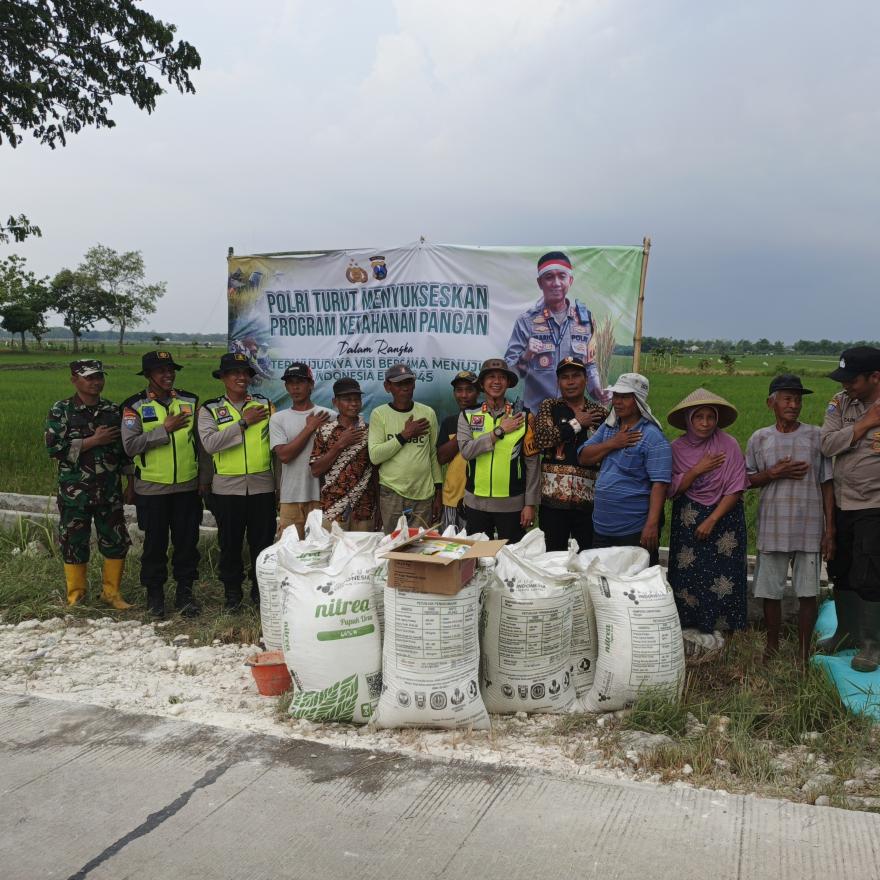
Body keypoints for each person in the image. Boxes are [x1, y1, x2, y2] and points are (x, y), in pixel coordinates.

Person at [746, 375, 834, 664]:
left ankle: (803, 650)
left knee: (808, 592)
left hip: (809, 526)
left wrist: (829, 528)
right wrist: (774, 473)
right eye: (787, 398)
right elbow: (747, 480)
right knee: (770, 590)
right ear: (770, 402)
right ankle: (772, 646)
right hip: (773, 526)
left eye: (798, 399)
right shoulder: (759, 438)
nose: (794, 405)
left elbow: (826, 482)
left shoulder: (816, 436)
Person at [45, 359, 132, 609]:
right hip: (75, 492)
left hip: (109, 490)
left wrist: (131, 483)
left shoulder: (113, 410)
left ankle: (112, 593)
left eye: (99, 377)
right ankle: (76, 596)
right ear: (74, 380)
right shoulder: (61, 410)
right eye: (89, 378)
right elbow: (54, 449)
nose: (96, 382)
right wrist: (93, 441)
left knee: (115, 540)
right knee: (73, 541)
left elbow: (123, 451)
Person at [121, 351, 202, 618]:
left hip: (187, 488)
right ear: (148, 376)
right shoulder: (134, 406)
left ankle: (185, 593)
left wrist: (204, 479)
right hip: (153, 489)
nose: (168, 375)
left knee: (187, 544)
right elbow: (130, 446)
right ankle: (155, 595)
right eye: (161, 371)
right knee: (155, 545)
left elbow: (201, 446)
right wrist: (163, 430)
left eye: (171, 370)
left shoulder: (190, 400)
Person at [665, 389, 750, 634]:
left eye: (710, 417)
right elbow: (671, 488)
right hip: (689, 521)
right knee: (688, 573)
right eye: (698, 417)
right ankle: (690, 625)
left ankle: (723, 628)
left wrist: (712, 519)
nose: (705, 423)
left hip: (725, 519)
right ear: (689, 420)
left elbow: (736, 486)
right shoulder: (677, 449)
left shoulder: (728, 445)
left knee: (725, 574)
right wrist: (695, 471)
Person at [198, 352, 276, 610]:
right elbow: (210, 444)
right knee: (229, 545)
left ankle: (260, 593)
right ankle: (232, 596)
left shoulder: (265, 405)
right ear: (223, 377)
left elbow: (277, 446)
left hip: (262, 486)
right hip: (227, 488)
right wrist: (242, 423)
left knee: (262, 545)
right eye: (234, 373)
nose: (241, 377)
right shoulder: (209, 410)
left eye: (245, 373)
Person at [821, 346, 880, 672]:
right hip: (843, 502)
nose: (846, 385)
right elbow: (826, 444)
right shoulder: (840, 402)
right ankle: (846, 633)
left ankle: (872, 645)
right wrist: (864, 424)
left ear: (875, 377)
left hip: (875, 504)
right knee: (840, 568)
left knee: (870, 573)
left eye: (853, 380)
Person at [577, 373, 670, 565]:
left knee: (634, 585)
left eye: (625, 397)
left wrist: (651, 525)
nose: (618, 402)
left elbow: (659, 485)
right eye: (616, 396)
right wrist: (614, 443)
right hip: (602, 527)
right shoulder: (609, 428)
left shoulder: (652, 437)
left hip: (633, 528)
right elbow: (583, 456)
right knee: (603, 582)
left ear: (638, 401)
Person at [505, 251, 607, 414]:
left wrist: (598, 392)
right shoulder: (526, 321)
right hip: (536, 415)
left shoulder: (584, 320)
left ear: (570, 280)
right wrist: (527, 355)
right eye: (549, 277)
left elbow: (589, 364)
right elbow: (510, 375)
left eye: (562, 276)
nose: (556, 283)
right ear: (540, 282)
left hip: (575, 415)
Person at [457, 358, 540, 542]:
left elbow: (532, 463)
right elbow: (466, 451)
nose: (496, 381)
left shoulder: (524, 416)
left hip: (512, 506)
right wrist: (499, 431)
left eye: (502, 377)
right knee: (477, 560)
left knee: (510, 561)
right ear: (482, 383)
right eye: (491, 377)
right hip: (476, 504)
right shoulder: (468, 415)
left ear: (508, 383)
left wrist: (530, 504)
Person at [534, 356, 607, 551]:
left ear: (585, 379)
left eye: (576, 376)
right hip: (553, 502)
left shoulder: (599, 412)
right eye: (565, 377)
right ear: (558, 382)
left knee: (589, 558)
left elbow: (609, 450)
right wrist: (576, 424)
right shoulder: (549, 407)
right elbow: (541, 440)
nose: (571, 381)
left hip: (589, 502)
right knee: (553, 559)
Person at [368, 364, 442, 532]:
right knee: (394, 544)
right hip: (392, 491)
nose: (405, 388)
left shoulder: (427, 413)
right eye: (399, 384)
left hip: (423, 494)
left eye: (408, 383)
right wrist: (404, 435)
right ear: (388, 387)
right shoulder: (379, 414)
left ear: (414, 384)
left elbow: (432, 454)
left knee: (419, 546)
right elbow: (375, 456)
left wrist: (438, 490)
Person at [269, 362, 333, 538]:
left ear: (311, 385)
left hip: (322, 496)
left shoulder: (328, 416)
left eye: (300, 382)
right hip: (290, 496)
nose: (295, 387)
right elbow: (284, 455)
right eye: (290, 382)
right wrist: (309, 428)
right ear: (286, 387)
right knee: (289, 551)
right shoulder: (278, 419)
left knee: (321, 550)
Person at [310, 377, 377, 531]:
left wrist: (378, 507)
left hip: (364, 508)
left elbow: (376, 471)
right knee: (334, 554)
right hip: (333, 508)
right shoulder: (325, 430)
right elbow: (315, 470)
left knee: (361, 554)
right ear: (335, 402)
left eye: (357, 399)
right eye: (347, 399)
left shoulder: (369, 430)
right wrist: (340, 445)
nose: (353, 403)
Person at [436, 370, 480, 531]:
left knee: (477, 548)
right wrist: (463, 432)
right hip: (453, 497)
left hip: (479, 498)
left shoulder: (487, 418)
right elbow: (441, 458)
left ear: (479, 391)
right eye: (459, 390)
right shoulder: (449, 422)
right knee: (450, 548)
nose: (464, 395)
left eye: (469, 390)